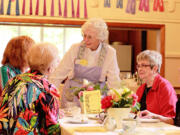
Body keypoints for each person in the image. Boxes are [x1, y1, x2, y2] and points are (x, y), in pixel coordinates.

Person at [49, 18, 120, 108]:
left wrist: (118, 102)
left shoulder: (109, 52)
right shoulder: (75, 48)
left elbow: (114, 80)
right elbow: (59, 74)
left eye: (90, 37)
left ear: (100, 38)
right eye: (84, 35)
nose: (85, 40)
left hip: (96, 96)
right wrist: (49, 94)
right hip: (72, 95)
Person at [0, 43, 61, 134]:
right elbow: (52, 128)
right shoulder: (48, 89)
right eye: (57, 61)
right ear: (50, 68)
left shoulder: (14, 80)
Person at [136, 50, 177, 118]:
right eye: (138, 66)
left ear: (155, 68)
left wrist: (154, 116)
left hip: (161, 128)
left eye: (143, 65)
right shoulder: (141, 89)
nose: (140, 69)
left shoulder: (165, 87)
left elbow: (171, 119)